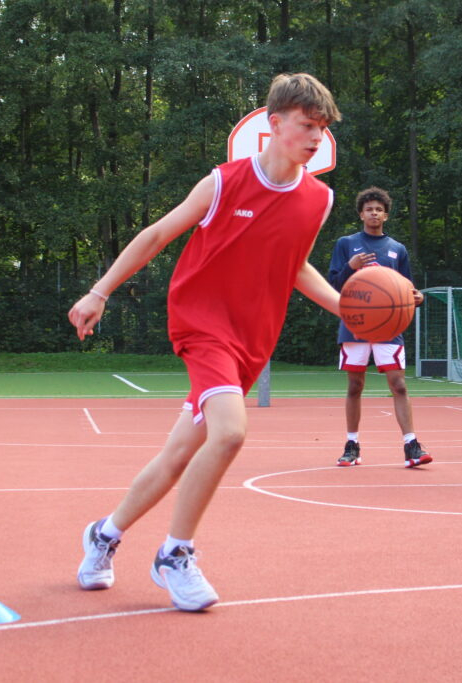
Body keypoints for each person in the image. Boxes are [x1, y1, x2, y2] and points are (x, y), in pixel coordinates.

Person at [69, 73, 343, 611]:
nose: (316, 137)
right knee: (230, 432)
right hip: (202, 324)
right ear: (274, 124)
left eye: (323, 129)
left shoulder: (319, 199)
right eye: (307, 125)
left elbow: (296, 267)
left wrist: (349, 308)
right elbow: (156, 235)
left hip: (252, 337)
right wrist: (99, 291)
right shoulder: (223, 182)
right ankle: (175, 554)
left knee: (177, 456)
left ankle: (103, 534)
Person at [326, 187, 431, 469]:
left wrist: (418, 299)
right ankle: (352, 444)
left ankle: (411, 445)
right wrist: (350, 267)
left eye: (379, 209)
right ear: (361, 214)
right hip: (356, 324)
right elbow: (333, 286)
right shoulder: (346, 244)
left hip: (388, 326)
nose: (374, 213)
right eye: (369, 209)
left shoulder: (397, 249)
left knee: (399, 384)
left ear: (386, 215)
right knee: (355, 386)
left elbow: (407, 290)